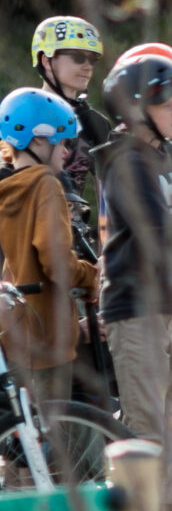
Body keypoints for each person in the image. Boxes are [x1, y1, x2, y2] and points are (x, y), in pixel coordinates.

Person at [94, 53, 172, 511]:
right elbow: (159, 236)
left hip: (171, 304)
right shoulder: (124, 162)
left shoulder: (169, 156)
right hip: (134, 307)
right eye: (166, 101)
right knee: (145, 432)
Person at [0, 89, 99, 408]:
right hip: (48, 335)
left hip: (16, 332)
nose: (67, 152)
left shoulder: (7, 189)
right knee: (61, 444)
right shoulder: (45, 185)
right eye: (63, 141)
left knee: (27, 442)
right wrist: (90, 276)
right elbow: (56, 263)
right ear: (39, 140)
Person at [29, 16, 114, 203]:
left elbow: (111, 195)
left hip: (74, 230)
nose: (88, 67)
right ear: (45, 60)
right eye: (78, 57)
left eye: (93, 60)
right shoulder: (20, 115)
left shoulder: (93, 123)